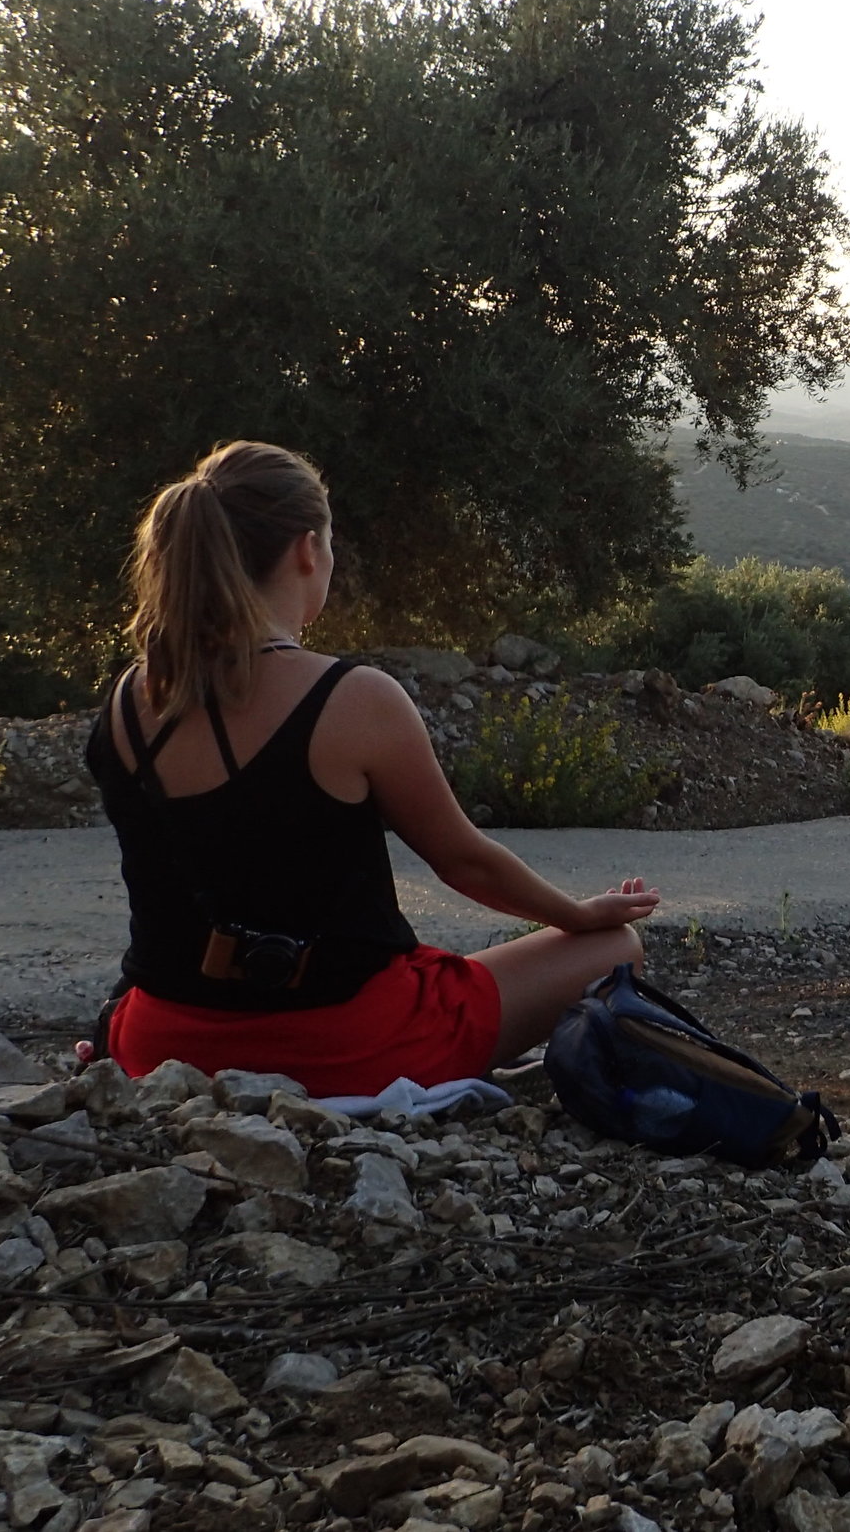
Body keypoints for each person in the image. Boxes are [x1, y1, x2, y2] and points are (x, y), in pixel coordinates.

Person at [86, 442, 660, 1098]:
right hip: (349, 1047)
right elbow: (464, 861)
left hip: (163, 1046)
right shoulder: (354, 699)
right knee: (615, 947)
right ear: (308, 549)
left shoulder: (131, 702)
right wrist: (579, 913)